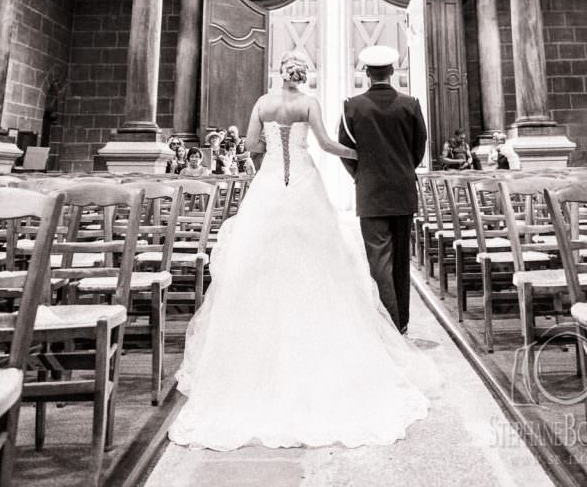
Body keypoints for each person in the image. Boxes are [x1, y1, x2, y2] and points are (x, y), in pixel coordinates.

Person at [168, 49, 437, 452]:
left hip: (272, 185)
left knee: (262, 257)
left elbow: (252, 145)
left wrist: (268, 160)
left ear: (280, 74)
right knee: (322, 256)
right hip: (315, 182)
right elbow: (329, 145)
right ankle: (388, 325)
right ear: (304, 76)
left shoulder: (263, 103)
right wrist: (370, 157)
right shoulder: (313, 104)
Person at [338, 45, 427, 335]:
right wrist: (402, 169)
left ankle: (387, 322)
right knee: (402, 261)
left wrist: (361, 176)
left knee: (378, 261)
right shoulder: (410, 104)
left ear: (365, 72)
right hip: (402, 190)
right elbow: (418, 149)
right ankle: (401, 321)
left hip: (371, 192)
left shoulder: (352, 106)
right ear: (392, 71)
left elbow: (345, 151)